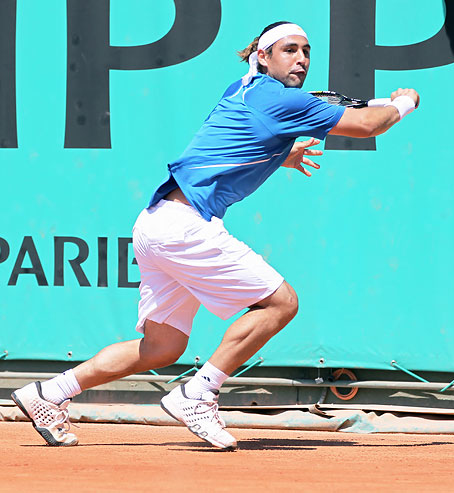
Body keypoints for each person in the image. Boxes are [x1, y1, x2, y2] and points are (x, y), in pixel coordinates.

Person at [11, 21, 420, 450]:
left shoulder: (243, 89)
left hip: (155, 223)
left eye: (306, 51)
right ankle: (198, 393)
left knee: (161, 347)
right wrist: (404, 103)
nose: (301, 59)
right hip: (184, 226)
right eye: (289, 50)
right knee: (281, 303)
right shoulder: (284, 99)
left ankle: (48, 393)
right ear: (263, 56)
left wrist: (282, 153)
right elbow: (368, 125)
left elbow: (231, 141)